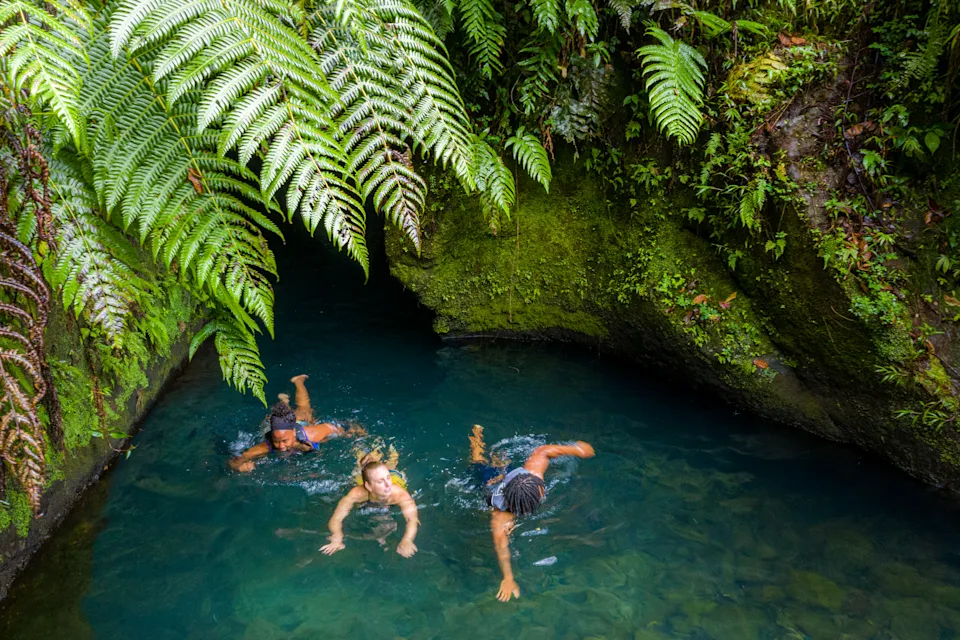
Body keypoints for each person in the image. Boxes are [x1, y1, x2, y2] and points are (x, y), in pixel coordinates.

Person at [468, 424, 595, 602]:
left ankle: (493, 455)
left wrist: (576, 450)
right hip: (488, 486)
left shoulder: (532, 475)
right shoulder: (502, 516)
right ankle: (476, 436)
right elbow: (501, 547)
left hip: (509, 479)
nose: (543, 492)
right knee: (478, 462)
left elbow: (543, 451)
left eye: (539, 489)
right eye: (539, 494)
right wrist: (508, 577)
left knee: (501, 463)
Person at [228, 374, 362, 472]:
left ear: (293, 433)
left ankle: (298, 381)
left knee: (305, 409)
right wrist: (240, 467)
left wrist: (351, 432)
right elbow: (234, 461)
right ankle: (284, 402)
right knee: (274, 417)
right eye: (277, 441)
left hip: (299, 423)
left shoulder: (311, 434)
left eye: (285, 441)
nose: (280, 446)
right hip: (273, 426)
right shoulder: (267, 445)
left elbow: (332, 428)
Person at [320, 459, 419, 558]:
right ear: (368, 486)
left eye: (388, 478)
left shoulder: (400, 495)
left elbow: (412, 519)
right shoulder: (357, 494)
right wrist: (337, 537)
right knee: (360, 471)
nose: (388, 484)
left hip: (396, 476)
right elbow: (337, 518)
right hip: (367, 488)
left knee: (392, 462)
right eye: (381, 481)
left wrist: (407, 540)